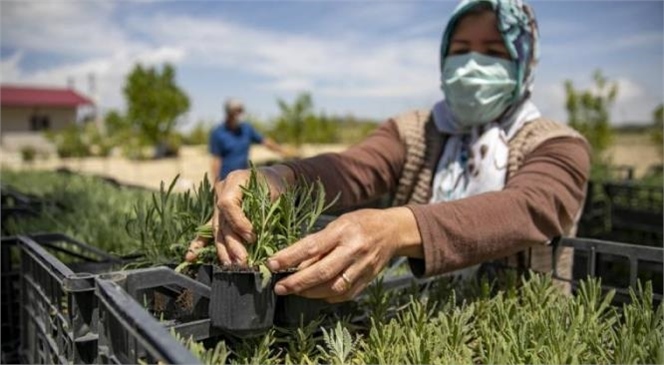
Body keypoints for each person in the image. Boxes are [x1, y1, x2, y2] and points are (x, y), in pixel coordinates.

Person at [188, 0, 590, 302]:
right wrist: (279, 178)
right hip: (418, 315)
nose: (471, 63)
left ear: (524, 60)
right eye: (461, 48)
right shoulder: (418, 129)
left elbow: (527, 208)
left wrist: (397, 228)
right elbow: (355, 167)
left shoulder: (557, 144)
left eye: (494, 52)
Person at [209, 98, 289, 181]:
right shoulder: (217, 133)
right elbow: (216, 160)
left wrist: (283, 151)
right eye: (236, 111)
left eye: (240, 111)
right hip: (226, 178)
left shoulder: (246, 128)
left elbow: (264, 141)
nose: (238, 115)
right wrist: (216, 182)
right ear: (228, 112)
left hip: (244, 176)